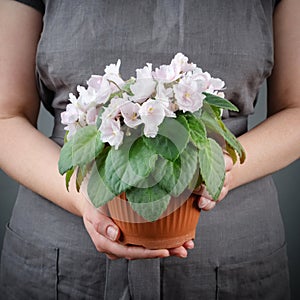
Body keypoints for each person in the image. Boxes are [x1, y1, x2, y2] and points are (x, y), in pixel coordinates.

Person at [0, 0, 299, 298]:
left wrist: (220, 169)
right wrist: (85, 197)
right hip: (62, 264)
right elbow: (5, 116)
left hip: (234, 262)